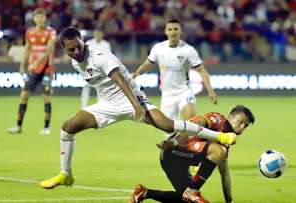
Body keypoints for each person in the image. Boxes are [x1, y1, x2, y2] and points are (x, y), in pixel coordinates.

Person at [39, 27, 237, 189]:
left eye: (78, 47)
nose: (76, 52)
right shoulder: (75, 61)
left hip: (131, 98)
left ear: (83, 40)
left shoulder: (100, 56)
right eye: (71, 50)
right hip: (107, 105)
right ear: (64, 48)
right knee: (68, 127)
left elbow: (121, 80)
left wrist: (137, 106)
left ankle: (218, 136)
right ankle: (65, 174)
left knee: (167, 125)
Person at [131, 105, 255, 203]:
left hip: (177, 160)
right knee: (218, 151)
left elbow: (225, 174)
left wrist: (229, 201)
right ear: (230, 117)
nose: (242, 126)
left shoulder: (226, 142)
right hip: (172, 151)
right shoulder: (218, 119)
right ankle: (193, 191)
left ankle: (145, 193)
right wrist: (175, 140)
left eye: (246, 125)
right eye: (241, 121)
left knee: (186, 200)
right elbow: (195, 123)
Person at [132, 19, 218, 121]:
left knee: (192, 121)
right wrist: (137, 73)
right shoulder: (158, 48)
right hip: (167, 94)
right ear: (166, 31)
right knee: (169, 130)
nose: (173, 32)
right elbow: (147, 64)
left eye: (176, 29)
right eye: (170, 29)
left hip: (184, 92)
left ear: (180, 31)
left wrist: (210, 90)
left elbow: (202, 71)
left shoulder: (188, 50)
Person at [7, 8, 56, 135]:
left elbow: (49, 51)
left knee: (46, 97)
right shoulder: (29, 33)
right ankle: (18, 126)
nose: (40, 19)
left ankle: (46, 127)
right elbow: (28, 50)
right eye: (37, 17)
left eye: (42, 16)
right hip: (32, 70)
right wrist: (23, 65)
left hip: (46, 69)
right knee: (23, 96)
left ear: (45, 18)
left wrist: (36, 63)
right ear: (34, 19)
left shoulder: (51, 32)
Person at [81, 29, 112, 108]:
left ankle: (100, 106)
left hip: (101, 69)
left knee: (101, 88)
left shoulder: (106, 44)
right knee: (86, 86)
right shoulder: (89, 43)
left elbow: (108, 57)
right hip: (90, 69)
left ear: (102, 34)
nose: (97, 35)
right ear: (94, 34)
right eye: (96, 33)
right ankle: (83, 107)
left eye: (99, 33)